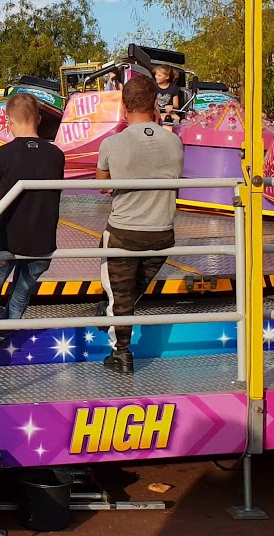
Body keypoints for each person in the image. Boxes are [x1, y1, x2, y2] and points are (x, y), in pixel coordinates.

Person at [0, 93, 64, 363]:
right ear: (39, 120)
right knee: (21, 293)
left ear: (7, 120)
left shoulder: (1, 155)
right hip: (42, 242)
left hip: (6, 240)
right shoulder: (56, 155)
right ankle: (3, 332)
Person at [96, 76, 183, 374]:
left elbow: (102, 186)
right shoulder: (175, 142)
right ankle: (111, 311)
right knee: (128, 293)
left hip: (124, 234)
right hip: (161, 234)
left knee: (120, 295)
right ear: (155, 104)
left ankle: (121, 353)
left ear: (124, 106)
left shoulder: (112, 143)